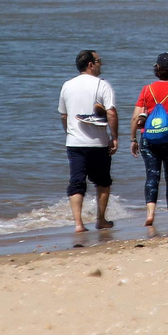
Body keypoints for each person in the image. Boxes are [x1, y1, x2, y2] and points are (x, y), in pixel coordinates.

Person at [129, 52, 168, 230]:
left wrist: (133, 139)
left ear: (157, 69)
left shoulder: (147, 89)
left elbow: (135, 117)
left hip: (149, 138)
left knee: (152, 176)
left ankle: (150, 214)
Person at [58, 49, 118, 233]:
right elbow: (111, 113)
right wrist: (115, 137)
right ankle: (101, 220)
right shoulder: (102, 85)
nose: (101, 64)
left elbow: (64, 115)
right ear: (90, 64)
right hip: (98, 143)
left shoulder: (67, 85)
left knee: (76, 182)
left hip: (74, 143)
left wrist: (69, 132)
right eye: (99, 61)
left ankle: (78, 224)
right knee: (103, 182)